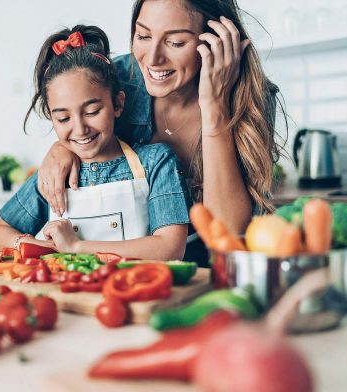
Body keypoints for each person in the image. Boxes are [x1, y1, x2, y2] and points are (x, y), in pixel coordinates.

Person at [37, 0, 286, 265]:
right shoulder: (121, 78)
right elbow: (79, 124)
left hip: (212, 269)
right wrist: (62, 147)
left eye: (176, 43)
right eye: (143, 36)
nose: (152, 58)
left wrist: (215, 108)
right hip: (128, 267)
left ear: (217, 41)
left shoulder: (251, 97)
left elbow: (226, 232)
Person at [0, 25, 191, 260]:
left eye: (92, 111)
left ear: (117, 104)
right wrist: (38, 246)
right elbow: (0, 231)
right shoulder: (53, 176)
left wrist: (75, 247)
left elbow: (170, 248)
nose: (79, 129)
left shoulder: (156, 162)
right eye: (63, 118)